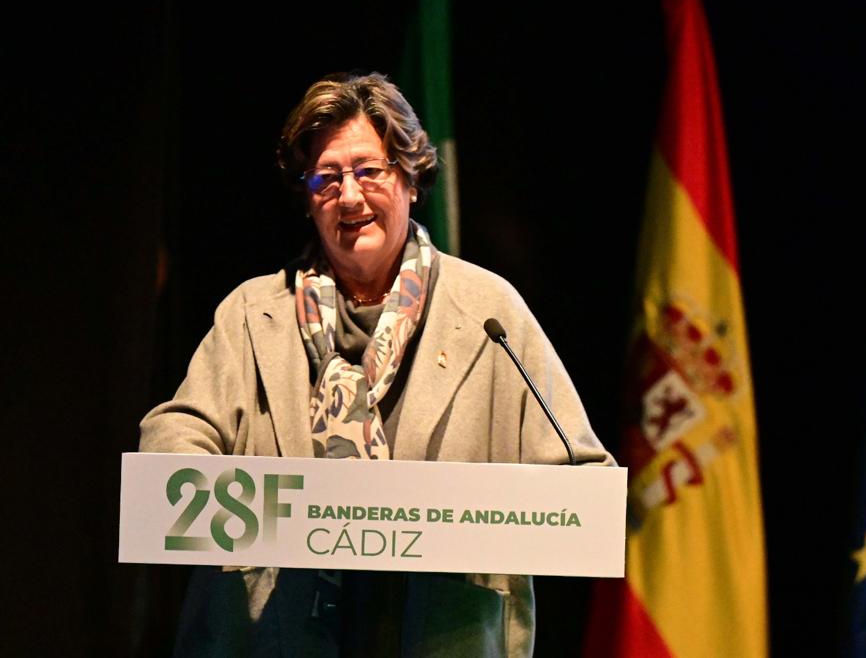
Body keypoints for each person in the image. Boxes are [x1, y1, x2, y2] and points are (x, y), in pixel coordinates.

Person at [140, 71, 614, 657]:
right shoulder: (250, 313)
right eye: (326, 177)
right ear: (306, 197)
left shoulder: (489, 313)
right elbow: (173, 439)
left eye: (370, 171)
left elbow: (580, 480)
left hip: (442, 634)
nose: (350, 196)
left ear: (411, 179)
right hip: (274, 637)